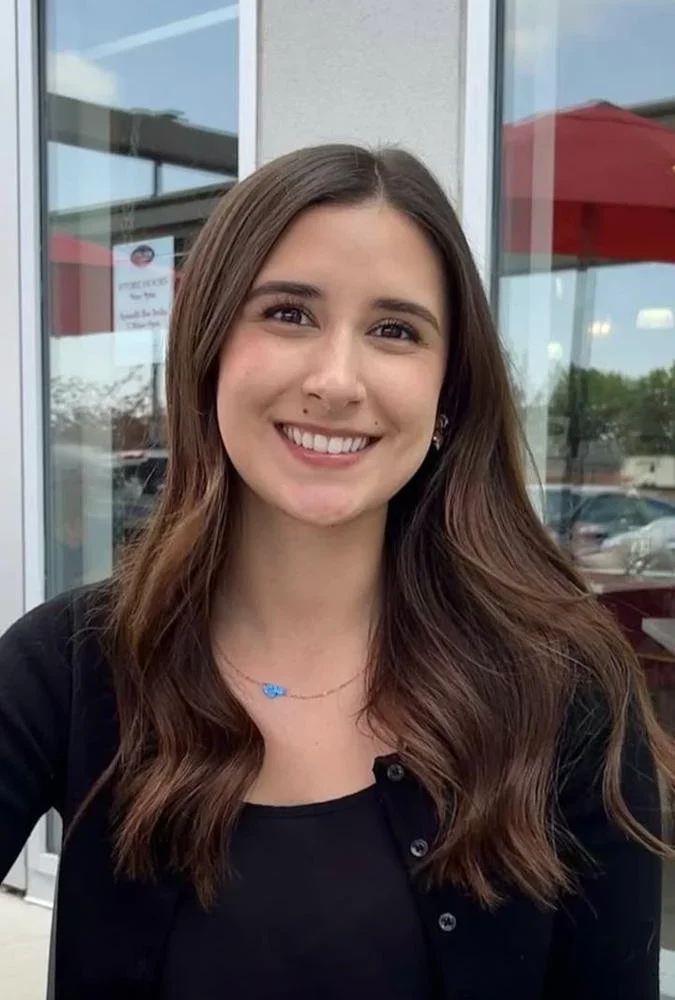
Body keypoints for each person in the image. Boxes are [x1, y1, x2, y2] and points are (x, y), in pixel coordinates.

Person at [0, 144, 672, 1000]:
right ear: (207, 353)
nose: (337, 379)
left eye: (395, 330)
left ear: (447, 397)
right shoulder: (70, 665)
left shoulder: (564, 687)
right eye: (288, 314)